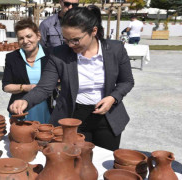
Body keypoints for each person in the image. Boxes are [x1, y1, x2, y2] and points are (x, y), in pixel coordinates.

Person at [10, 6, 134, 151]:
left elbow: (127, 81)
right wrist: (26, 100)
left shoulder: (115, 49)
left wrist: (113, 97)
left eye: (75, 40)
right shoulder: (59, 54)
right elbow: (45, 87)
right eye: (66, 39)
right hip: (73, 117)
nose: (70, 45)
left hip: (108, 117)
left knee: (104, 161)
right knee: (75, 161)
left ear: (93, 31)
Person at [2, 18, 51, 124]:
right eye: (21, 38)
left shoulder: (50, 56)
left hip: (47, 107)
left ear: (38, 36)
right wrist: (26, 87)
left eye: (29, 36)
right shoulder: (12, 57)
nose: (25, 41)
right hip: (20, 108)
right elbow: (6, 86)